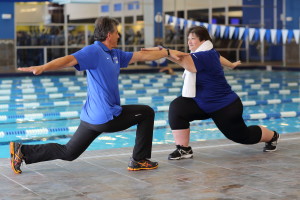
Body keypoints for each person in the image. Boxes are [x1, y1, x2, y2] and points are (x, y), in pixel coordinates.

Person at [10, 16, 188, 174]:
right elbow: (69, 59)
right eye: (117, 33)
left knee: (69, 152)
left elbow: (141, 56)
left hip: (91, 117)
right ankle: (139, 160)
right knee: (147, 112)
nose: (119, 36)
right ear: (109, 35)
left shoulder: (115, 54)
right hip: (105, 117)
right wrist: (43, 67)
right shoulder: (93, 52)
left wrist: (167, 52)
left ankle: (22, 151)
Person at [143, 26, 279, 160]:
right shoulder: (209, 52)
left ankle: (272, 136)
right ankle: (183, 149)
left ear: (203, 41)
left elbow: (182, 60)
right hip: (202, 103)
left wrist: (164, 52)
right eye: (188, 39)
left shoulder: (204, 55)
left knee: (243, 136)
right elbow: (217, 57)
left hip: (225, 107)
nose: (189, 42)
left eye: (193, 39)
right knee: (177, 108)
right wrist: (231, 65)